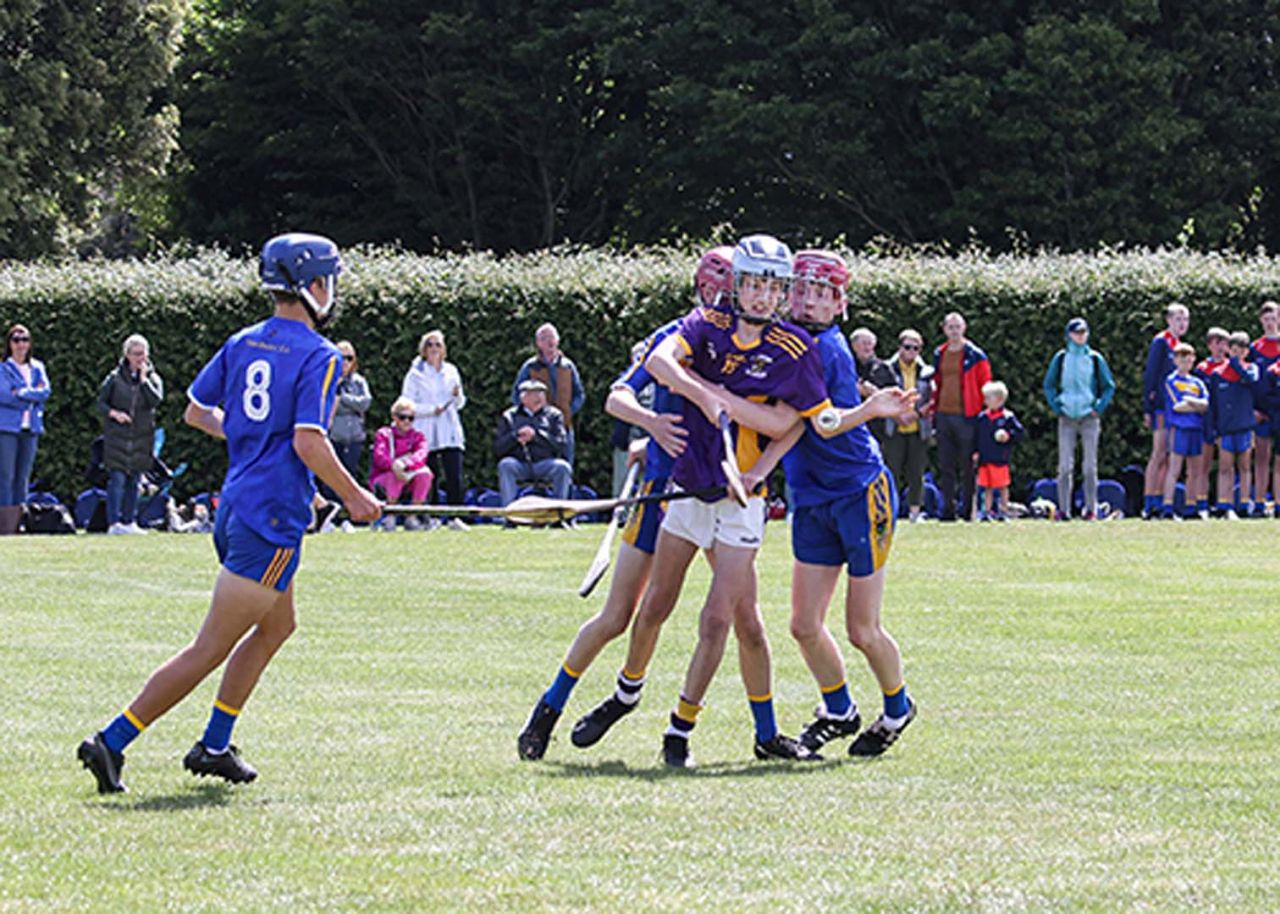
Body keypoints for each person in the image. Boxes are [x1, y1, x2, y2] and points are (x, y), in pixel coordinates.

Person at [76, 232, 381, 794]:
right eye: (327, 281)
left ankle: (215, 746)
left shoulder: (244, 341)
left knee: (279, 624)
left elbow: (196, 411)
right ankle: (111, 740)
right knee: (209, 648)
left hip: (239, 505)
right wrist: (355, 495)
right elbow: (310, 441)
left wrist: (256, 443)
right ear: (312, 286)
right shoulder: (320, 354)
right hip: (270, 520)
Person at [573, 235, 864, 768]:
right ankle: (624, 694)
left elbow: (794, 422)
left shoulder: (794, 345)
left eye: (768, 287)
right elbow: (657, 367)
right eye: (748, 284)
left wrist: (756, 466)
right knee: (652, 604)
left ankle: (686, 730)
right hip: (685, 489)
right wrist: (687, 405)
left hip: (741, 498)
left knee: (724, 620)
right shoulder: (700, 329)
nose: (757, 296)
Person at [517, 246, 738, 761]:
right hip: (663, 492)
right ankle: (549, 708)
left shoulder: (746, 348)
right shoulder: (672, 337)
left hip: (716, 496)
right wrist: (651, 425)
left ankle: (758, 727)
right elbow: (618, 396)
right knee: (621, 614)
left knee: (739, 617)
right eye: (722, 289)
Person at [742, 249, 918, 758]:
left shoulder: (829, 349)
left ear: (839, 303)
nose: (811, 301)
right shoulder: (780, 340)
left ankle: (897, 708)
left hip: (858, 491)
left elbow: (812, 421)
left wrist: (866, 409)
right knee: (802, 624)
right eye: (803, 291)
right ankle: (838, 709)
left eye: (823, 294)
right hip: (812, 498)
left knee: (862, 628)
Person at [1042, 318, 1116, 520]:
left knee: (1090, 466)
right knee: (1065, 466)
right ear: (1069, 335)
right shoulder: (1061, 357)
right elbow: (1049, 384)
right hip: (1067, 416)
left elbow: (1108, 385)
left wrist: (1098, 407)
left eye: (1083, 332)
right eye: (1076, 332)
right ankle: (1064, 509)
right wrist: (1056, 406)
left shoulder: (1094, 358)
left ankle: (1090, 508)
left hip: (1088, 417)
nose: (1080, 336)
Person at [96, 334, 164, 535]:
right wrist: (114, 414)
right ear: (127, 355)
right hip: (117, 437)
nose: (140, 358)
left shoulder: (152, 378)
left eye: (143, 354)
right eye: (135, 354)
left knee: (135, 480)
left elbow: (155, 400)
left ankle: (129, 521)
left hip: (141, 437)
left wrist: (144, 381)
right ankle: (114, 522)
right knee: (117, 480)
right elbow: (100, 403)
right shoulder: (114, 378)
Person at [402, 330, 467, 530]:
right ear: (423, 349)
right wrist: (431, 410)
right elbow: (407, 404)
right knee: (430, 475)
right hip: (426, 429)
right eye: (430, 345)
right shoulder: (415, 374)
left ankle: (456, 517)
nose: (434, 349)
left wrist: (456, 396)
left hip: (449, 429)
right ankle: (429, 517)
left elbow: (461, 403)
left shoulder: (451, 370)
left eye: (437, 344)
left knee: (454, 474)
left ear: (443, 349)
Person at [930, 312, 992, 521]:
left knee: (967, 466)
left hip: (968, 416)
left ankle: (967, 511)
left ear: (964, 328)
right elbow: (936, 383)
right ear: (944, 329)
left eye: (958, 327)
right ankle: (947, 510)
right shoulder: (939, 353)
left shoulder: (976, 355)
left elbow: (986, 385)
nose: (954, 331)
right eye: (950, 327)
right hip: (943, 415)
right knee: (945, 465)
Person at [0, 324, 50, 536]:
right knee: (6, 475)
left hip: (31, 428)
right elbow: (4, 395)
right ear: (9, 344)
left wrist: (21, 393)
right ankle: (5, 523)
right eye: (16, 340)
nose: (21, 344)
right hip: (8, 428)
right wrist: (30, 397)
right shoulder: (3, 368)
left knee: (23, 476)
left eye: (25, 340)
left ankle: (20, 520)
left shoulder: (37, 367)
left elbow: (45, 392)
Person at [511, 323, 585, 464]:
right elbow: (516, 395)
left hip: (564, 427)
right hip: (538, 429)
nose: (550, 341)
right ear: (538, 343)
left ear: (558, 340)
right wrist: (529, 416)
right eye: (544, 338)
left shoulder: (568, 366)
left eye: (552, 337)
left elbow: (579, 394)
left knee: (565, 469)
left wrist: (568, 412)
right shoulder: (530, 367)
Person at [1142, 303, 1189, 518]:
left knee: (1171, 456)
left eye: (1185, 319)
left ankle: (1162, 501)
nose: (1182, 323)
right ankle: (1149, 502)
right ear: (1168, 320)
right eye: (1178, 319)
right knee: (1158, 453)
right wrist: (1147, 408)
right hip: (1161, 408)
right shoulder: (1161, 342)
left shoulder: (1180, 345)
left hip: (1176, 410)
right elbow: (1150, 376)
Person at [495, 379, 572, 507]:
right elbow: (498, 448)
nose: (540, 397)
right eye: (534, 394)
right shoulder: (509, 416)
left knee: (562, 467)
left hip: (545, 463)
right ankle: (510, 514)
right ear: (523, 397)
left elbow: (561, 444)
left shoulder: (554, 415)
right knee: (505, 465)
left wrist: (537, 435)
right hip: (519, 464)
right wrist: (516, 437)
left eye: (542, 393)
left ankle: (559, 514)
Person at [883, 329, 933, 522]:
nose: (911, 351)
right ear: (899, 347)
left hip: (918, 429)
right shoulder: (887, 368)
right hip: (893, 427)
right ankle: (890, 511)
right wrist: (897, 415)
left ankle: (915, 512)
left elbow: (933, 399)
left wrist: (916, 415)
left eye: (916, 348)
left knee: (916, 472)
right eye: (907, 347)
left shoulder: (928, 371)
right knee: (892, 471)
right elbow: (883, 395)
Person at [1208, 332, 1258, 519]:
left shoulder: (1251, 368)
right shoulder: (1217, 374)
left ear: (1246, 352)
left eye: (1241, 350)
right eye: (1234, 350)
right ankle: (1224, 504)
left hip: (1244, 427)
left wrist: (1236, 363)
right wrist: (1213, 430)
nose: (1237, 353)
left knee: (1245, 467)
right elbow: (1213, 405)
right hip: (1225, 428)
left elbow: (1250, 379)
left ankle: (1244, 505)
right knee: (1225, 467)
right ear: (1229, 349)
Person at [1159, 342, 1209, 520]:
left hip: (1196, 429)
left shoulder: (1197, 383)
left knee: (1195, 471)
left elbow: (1206, 405)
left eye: (1189, 359)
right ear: (1175, 360)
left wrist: (1190, 402)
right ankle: (1167, 507)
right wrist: (1195, 404)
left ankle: (1191, 506)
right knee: (1174, 469)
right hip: (1179, 429)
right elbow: (1177, 406)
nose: (1186, 362)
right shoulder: (1171, 380)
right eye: (1182, 359)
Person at [369, 397, 434, 531]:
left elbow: (421, 455)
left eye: (411, 418)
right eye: (402, 417)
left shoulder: (418, 436)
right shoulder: (384, 434)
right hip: (384, 477)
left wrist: (405, 465)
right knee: (395, 476)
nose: (406, 421)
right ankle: (390, 516)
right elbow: (379, 456)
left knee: (425, 474)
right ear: (394, 417)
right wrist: (394, 465)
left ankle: (413, 516)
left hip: (409, 475)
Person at [326, 340, 371, 502]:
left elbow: (365, 403)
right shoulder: (326, 379)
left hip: (354, 437)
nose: (345, 362)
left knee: (350, 476)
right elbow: (326, 404)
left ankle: (348, 515)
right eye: (341, 357)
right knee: (330, 478)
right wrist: (351, 405)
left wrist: (341, 398)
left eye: (349, 358)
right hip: (333, 436)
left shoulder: (359, 381)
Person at [1191, 329, 1229, 519]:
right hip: (1205, 421)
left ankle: (1224, 505)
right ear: (1209, 345)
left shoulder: (1232, 367)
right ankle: (1202, 504)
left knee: (1225, 466)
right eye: (1217, 343)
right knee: (1202, 466)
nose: (1221, 347)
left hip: (1226, 422)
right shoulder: (1201, 368)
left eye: (1224, 343)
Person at [974, 381, 1024, 521]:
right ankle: (986, 512)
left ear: (1000, 399)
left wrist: (1008, 435)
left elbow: (1019, 433)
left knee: (1002, 486)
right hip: (985, 459)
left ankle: (1003, 511)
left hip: (1000, 458)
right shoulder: (982, 418)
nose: (985, 401)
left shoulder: (1007, 417)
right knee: (986, 487)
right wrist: (975, 452)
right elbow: (977, 437)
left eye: (988, 398)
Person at [1247, 301, 1280, 515]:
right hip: (1260, 413)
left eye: (1273, 318)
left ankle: (1278, 504)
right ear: (1260, 320)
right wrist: (1251, 409)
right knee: (1261, 458)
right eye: (1266, 319)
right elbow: (1246, 381)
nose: (1270, 323)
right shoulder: (1254, 348)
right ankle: (1259, 503)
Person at [849, 327, 897, 445]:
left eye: (870, 343)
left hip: (876, 425)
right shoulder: (846, 367)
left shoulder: (884, 368)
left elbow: (894, 396)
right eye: (864, 343)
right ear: (854, 345)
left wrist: (875, 393)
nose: (868, 347)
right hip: (850, 421)